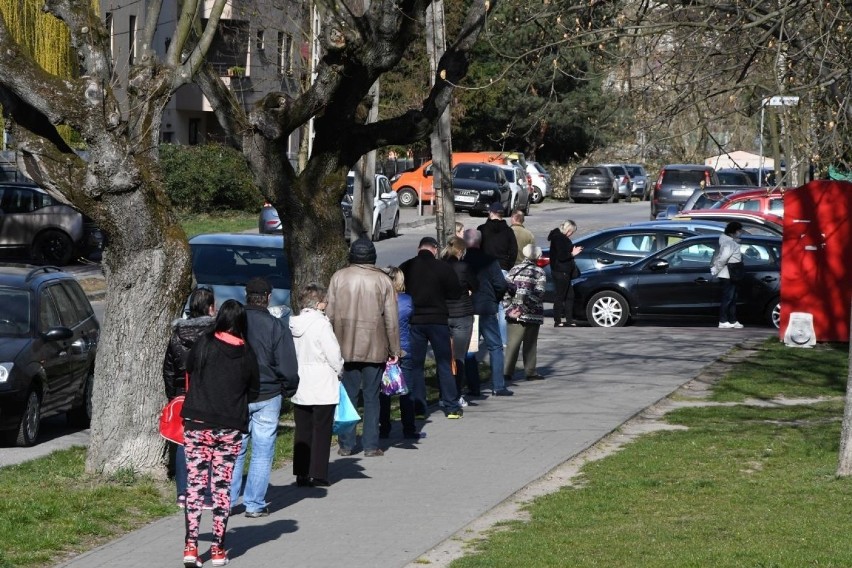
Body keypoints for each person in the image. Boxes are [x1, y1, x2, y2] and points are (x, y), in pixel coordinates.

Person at [181, 300, 260, 568]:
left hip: (197, 422)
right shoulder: (247, 353)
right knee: (222, 487)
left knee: (195, 485)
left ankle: (190, 547)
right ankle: (218, 549)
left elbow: (189, 367)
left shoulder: (204, 343)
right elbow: (255, 390)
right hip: (229, 426)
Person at [230, 277, 300, 518]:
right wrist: (288, 388)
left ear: (246, 295)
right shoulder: (275, 325)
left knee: (235, 448)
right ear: (268, 298)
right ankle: (254, 503)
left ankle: (226, 501)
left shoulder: (234, 324)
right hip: (268, 393)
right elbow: (288, 366)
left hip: (237, 394)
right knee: (262, 450)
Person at [326, 236, 401, 457]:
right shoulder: (383, 281)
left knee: (347, 396)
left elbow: (329, 315)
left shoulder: (339, 277)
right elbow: (391, 320)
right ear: (373, 256)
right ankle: (370, 445)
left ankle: (346, 444)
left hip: (344, 346)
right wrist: (395, 350)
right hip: (375, 347)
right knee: (372, 397)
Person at [163, 287, 216, 509]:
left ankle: (183, 492)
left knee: (184, 443)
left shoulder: (177, 335)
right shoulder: (214, 335)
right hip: (209, 395)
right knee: (211, 443)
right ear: (211, 308)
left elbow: (169, 369)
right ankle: (206, 493)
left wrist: (174, 394)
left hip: (184, 394)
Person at [401, 236, 465, 417]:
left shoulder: (407, 266)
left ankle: (419, 407)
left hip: (415, 321)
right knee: (444, 363)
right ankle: (451, 406)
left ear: (418, 248)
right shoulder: (443, 267)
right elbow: (454, 293)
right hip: (438, 321)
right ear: (435, 249)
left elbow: (398, 288)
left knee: (416, 366)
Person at [289, 283, 344, 487]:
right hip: (321, 381)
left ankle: (301, 472)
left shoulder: (292, 323)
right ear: (319, 304)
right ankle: (318, 472)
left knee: (302, 428)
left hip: (300, 380)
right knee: (321, 428)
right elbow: (333, 354)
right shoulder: (321, 324)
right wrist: (340, 370)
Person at [463, 229, 513, 396]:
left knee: (470, 350)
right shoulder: (490, 261)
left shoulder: (462, 260)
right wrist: (495, 299)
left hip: (468, 308)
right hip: (486, 307)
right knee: (495, 347)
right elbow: (501, 284)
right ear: (480, 242)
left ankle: (473, 387)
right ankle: (498, 386)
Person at [379, 267, 421, 439]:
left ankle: (384, 428)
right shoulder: (407, 301)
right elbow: (412, 320)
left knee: (383, 391)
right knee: (406, 390)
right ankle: (409, 428)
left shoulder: (378, 301)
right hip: (404, 348)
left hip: (382, 350)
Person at [441, 236, 477, 406]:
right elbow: (476, 285)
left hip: (443, 314)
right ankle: (456, 394)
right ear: (461, 251)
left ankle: (444, 394)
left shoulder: (440, 266)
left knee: (445, 357)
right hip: (462, 313)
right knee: (459, 357)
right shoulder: (464, 267)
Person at [503, 244, 547, 382]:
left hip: (513, 314)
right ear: (537, 257)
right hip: (532, 314)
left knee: (512, 344)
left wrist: (510, 309)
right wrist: (524, 309)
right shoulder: (539, 272)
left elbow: (505, 291)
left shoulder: (513, 270)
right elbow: (538, 294)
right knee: (530, 344)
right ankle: (530, 371)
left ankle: (507, 372)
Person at [548, 220, 583, 327]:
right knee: (560, 296)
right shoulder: (559, 238)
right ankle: (557, 321)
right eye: (572, 232)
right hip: (561, 271)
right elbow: (562, 256)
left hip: (564, 271)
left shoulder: (560, 238)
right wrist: (573, 253)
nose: (571, 234)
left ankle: (569, 320)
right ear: (568, 230)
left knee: (569, 296)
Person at [711, 221, 745, 329]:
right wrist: (716, 270)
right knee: (728, 298)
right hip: (728, 274)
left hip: (730, 273)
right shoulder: (729, 243)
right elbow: (723, 259)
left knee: (732, 298)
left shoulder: (728, 242)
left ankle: (732, 320)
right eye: (739, 231)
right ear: (733, 232)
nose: (740, 233)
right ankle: (723, 320)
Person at [478, 202, 517, 272]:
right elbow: (514, 251)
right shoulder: (508, 231)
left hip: (485, 266)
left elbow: (476, 248)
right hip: (502, 267)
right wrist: (509, 266)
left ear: (491, 213)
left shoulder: (482, 229)